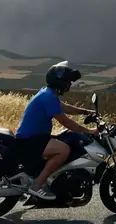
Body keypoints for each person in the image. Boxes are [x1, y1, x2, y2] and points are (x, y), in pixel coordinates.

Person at [14, 61, 97, 201]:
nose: (69, 84)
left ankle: (43, 178)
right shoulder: (48, 97)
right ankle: (38, 184)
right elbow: (66, 122)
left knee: (65, 139)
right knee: (64, 150)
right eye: (67, 81)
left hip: (33, 137)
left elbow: (64, 107)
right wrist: (89, 131)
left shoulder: (48, 93)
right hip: (31, 140)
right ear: (59, 82)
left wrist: (85, 112)